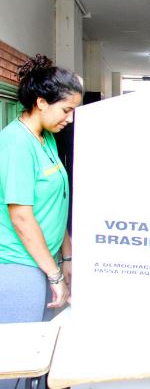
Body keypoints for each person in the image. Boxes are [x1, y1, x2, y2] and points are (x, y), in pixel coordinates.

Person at [0, 55, 82, 332]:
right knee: (18, 360)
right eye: (66, 110)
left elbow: (55, 205)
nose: (70, 119)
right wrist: (55, 274)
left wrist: (67, 257)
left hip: (45, 261)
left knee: (42, 352)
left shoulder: (45, 138)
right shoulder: (16, 143)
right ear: (42, 102)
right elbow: (21, 218)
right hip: (19, 265)